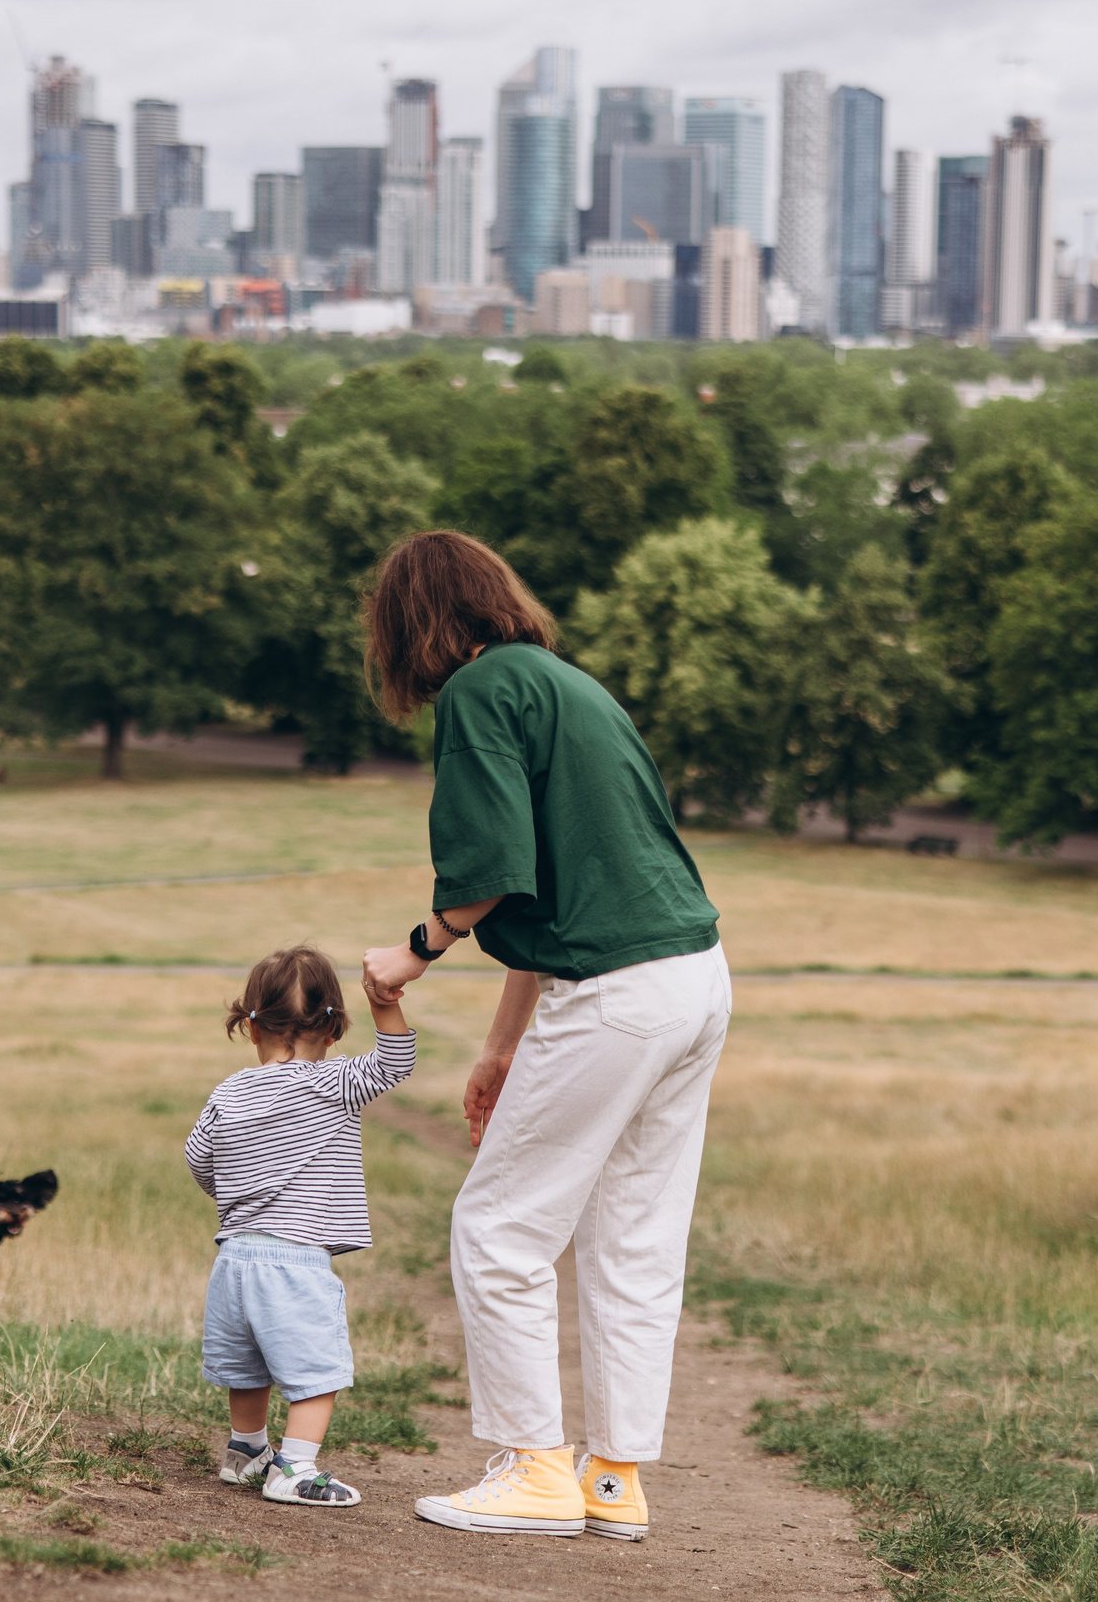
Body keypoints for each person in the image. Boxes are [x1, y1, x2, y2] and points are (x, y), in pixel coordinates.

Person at [358, 530, 730, 1543]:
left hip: (616, 991)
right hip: (692, 977)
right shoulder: (567, 685)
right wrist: (500, 1044)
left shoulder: (479, 695)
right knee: (633, 1234)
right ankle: (611, 1477)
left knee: (500, 1228)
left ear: (410, 625)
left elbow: (490, 869)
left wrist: (415, 950)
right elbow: (560, 871)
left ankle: (532, 1469)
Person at [186, 944, 416, 1509]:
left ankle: (246, 1451)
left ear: (251, 1024)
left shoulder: (229, 1090)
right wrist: (383, 1002)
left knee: (249, 1362)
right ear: (333, 1027)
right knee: (317, 1370)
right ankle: (294, 1468)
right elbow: (396, 1059)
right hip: (296, 1260)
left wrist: (238, 1196)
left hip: (234, 1257)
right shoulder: (336, 1081)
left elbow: (198, 1157)